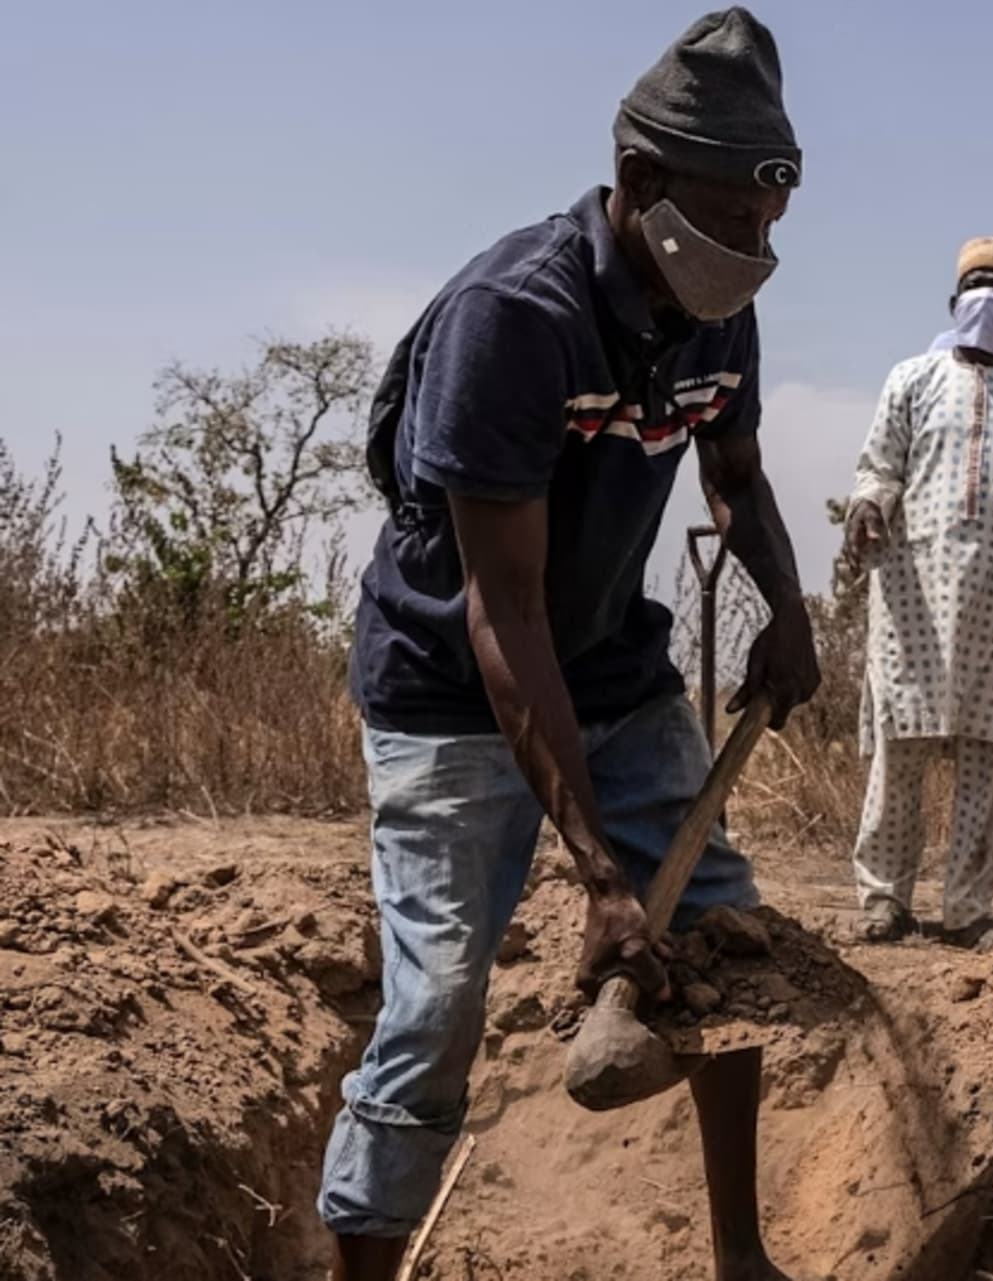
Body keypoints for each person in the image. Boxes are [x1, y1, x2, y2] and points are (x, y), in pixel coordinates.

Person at [321, 11, 818, 1280]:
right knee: (435, 1008)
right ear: (641, 182)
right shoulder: (514, 317)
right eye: (733, 221)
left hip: (606, 665)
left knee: (724, 931)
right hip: (448, 683)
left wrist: (788, 604)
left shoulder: (718, 310)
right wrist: (597, 875)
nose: (758, 252)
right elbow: (505, 610)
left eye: (771, 224)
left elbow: (737, 470)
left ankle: (742, 1257)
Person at [842, 238, 993, 947]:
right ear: (953, 301)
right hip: (914, 593)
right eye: (976, 284)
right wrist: (866, 507)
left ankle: (968, 909)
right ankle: (883, 900)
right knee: (900, 754)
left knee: (991, 766)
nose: (987, 297)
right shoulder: (911, 378)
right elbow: (877, 466)